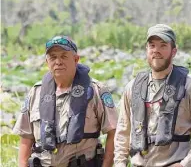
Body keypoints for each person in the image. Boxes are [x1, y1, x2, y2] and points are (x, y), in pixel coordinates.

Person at [114, 24, 191, 167]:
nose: (156, 51)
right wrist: (120, 164)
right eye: (152, 46)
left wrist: (185, 165)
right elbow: (122, 134)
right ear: (147, 50)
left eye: (163, 46)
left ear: (174, 51)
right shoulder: (132, 88)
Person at [13, 36, 118, 167]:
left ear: (76, 59)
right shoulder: (36, 93)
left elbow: (114, 133)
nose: (58, 62)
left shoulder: (96, 91)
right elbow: (25, 138)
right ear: (47, 62)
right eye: (53, 57)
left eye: (64, 56)